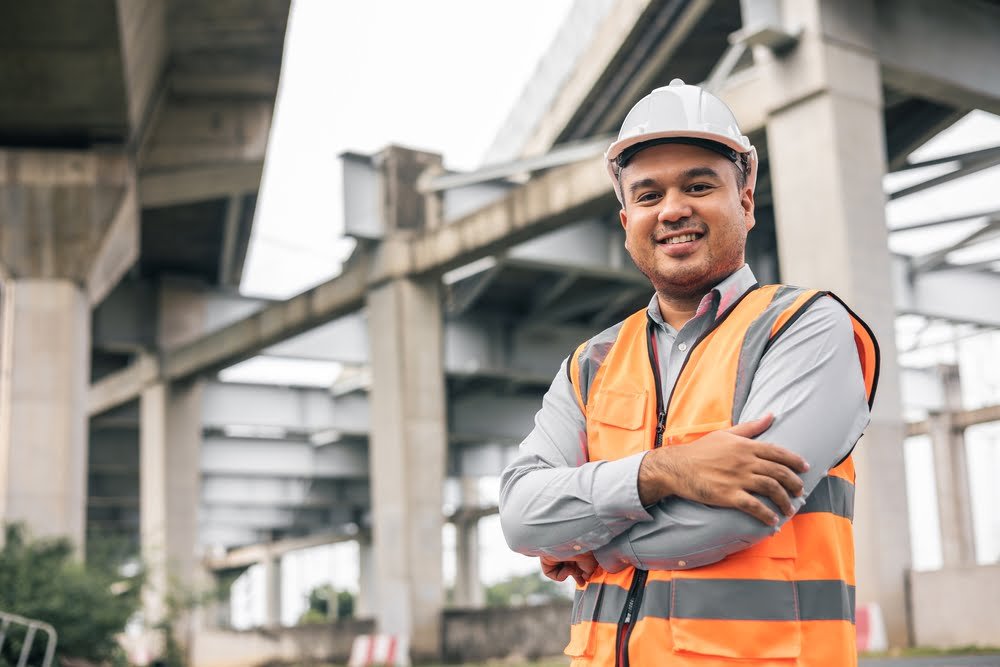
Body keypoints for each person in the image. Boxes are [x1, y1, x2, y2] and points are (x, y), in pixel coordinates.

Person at [498, 79, 879, 667]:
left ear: (746, 202)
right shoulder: (590, 365)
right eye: (649, 195)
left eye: (698, 185)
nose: (673, 208)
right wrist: (663, 471)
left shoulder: (803, 328)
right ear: (627, 221)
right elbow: (522, 515)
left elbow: (734, 514)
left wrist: (590, 544)